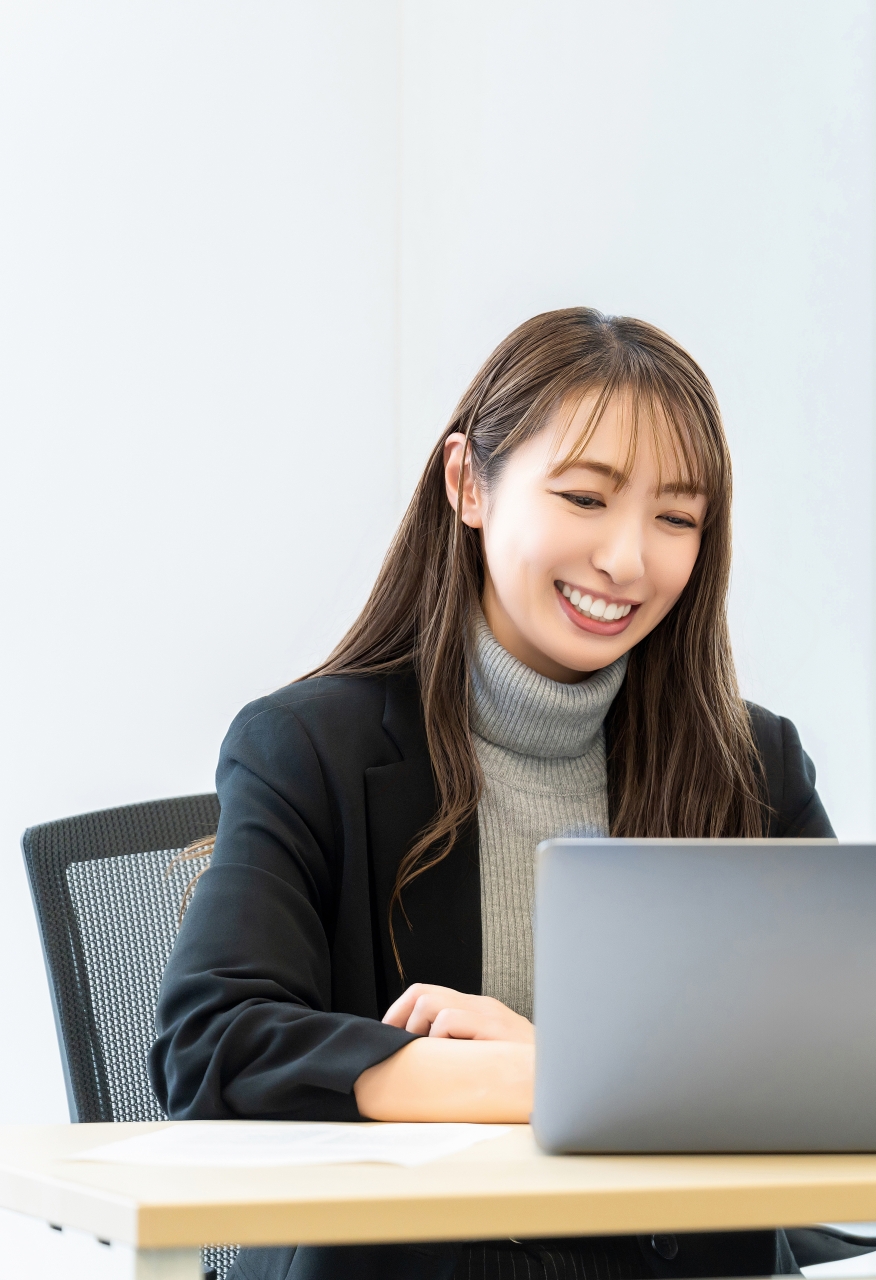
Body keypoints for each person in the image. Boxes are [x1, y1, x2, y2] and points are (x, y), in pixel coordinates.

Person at [153, 308, 831, 1280]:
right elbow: (211, 1048)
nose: (629, 558)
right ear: (468, 481)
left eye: (676, 517)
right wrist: (536, 1080)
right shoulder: (311, 746)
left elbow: (841, 1061)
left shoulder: (751, 762)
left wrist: (570, 1070)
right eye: (586, 497)